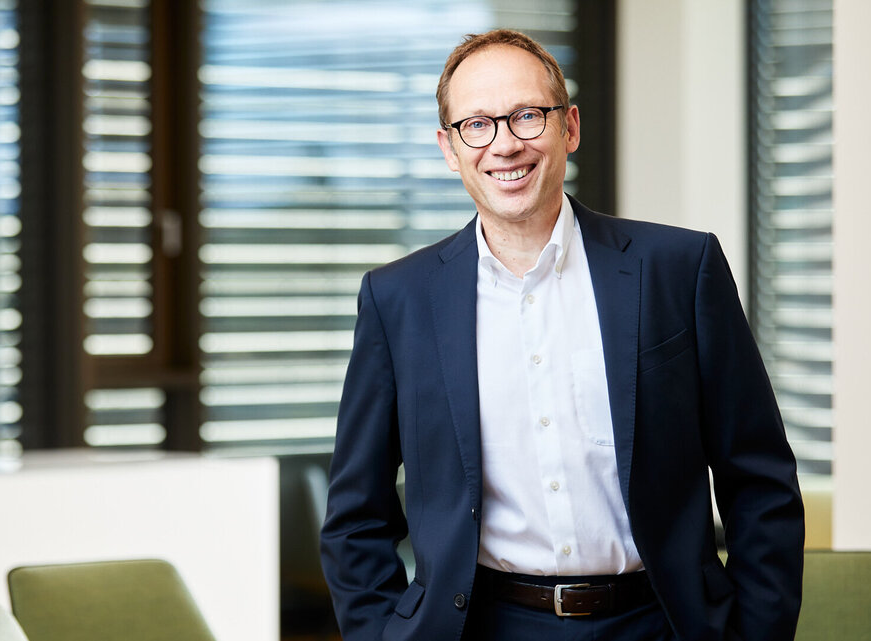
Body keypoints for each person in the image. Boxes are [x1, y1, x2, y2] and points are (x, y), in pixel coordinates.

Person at [320, 28, 804, 641]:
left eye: (528, 116)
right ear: (449, 148)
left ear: (569, 127)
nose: (505, 144)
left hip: (661, 624)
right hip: (484, 628)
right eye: (477, 124)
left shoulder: (679, 270)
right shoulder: (399, 300)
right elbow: (355, 518)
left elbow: (759, 481)